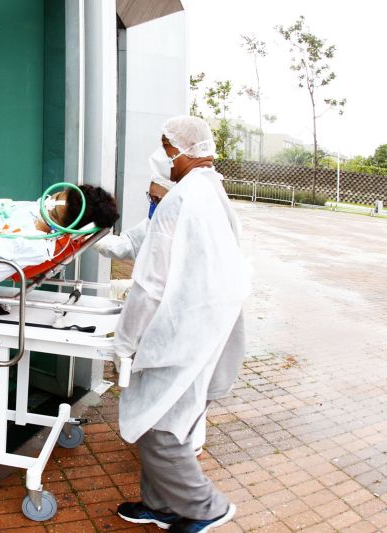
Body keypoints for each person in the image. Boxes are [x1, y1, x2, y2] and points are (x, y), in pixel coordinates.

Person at [113, 116, 250, 532]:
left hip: (184, 331)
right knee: (175, 417)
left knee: (159, 426)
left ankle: (206, 507)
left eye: (165, 145)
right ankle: (160, 505)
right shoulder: (213, 190)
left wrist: (125, 340)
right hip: (212, 324)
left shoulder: (180, 200)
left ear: (181, 149)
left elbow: (151, 284)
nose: (161, 155)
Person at [0, 184, 119, 237]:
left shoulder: (27, 235)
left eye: (52, 214)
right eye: (55, 196)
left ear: (65, 228)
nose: (45, 206)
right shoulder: (31, 210)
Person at [92, 176, 174, 261]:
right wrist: (92, 238)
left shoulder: (184, 230)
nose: (152, 204)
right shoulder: (152, 224)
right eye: (150, 198)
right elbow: (129, 244)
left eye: (157, 199)